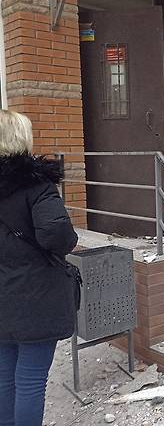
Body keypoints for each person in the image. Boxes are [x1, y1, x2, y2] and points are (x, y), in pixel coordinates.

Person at [0, 110, 78, 426]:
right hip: (34, 297)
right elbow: (59, 237)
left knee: (4, 375)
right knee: (31, 379)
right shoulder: (36, 186)